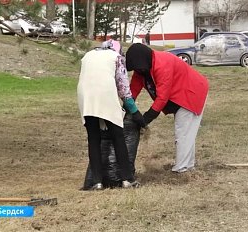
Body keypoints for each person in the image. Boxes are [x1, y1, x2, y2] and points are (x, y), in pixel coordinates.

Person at [125, 43, 209, 173]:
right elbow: (132, 90)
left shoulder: (163, 64)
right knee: (186, 132)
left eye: (139, 69)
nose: (139, 71)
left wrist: (146, 118)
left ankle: (182, 168)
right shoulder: (141, 69)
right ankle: (188, 165)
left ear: (144, 61)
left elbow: (162, 97)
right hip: (180, 95)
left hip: (191, 92)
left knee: (183, 132)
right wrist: (127, 108)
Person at [77, 40, 145, 190]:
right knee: (118, 136)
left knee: (94, 139)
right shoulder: (116, 58)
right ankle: (127, 179)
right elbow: (123, 89)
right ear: (118, 50)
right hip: (105, 94)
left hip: (85, 95)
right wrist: (134, 111)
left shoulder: (87, 56)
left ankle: (96, 182)